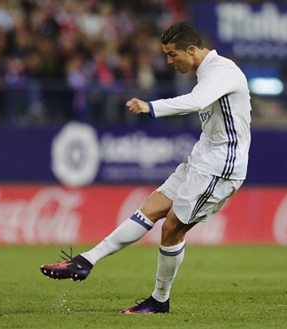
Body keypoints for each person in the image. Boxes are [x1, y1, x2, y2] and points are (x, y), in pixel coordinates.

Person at [40, 22, 252, 314]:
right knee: (150, 207)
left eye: (172, 54)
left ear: (191, 50)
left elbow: (197, 101)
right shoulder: (206, 73)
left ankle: (159, 300)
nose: (168, 61)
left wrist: (151, 107)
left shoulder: (222, 71)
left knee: (172, 229)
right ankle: (86, 260)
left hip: (222, 168)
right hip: (201, 160)